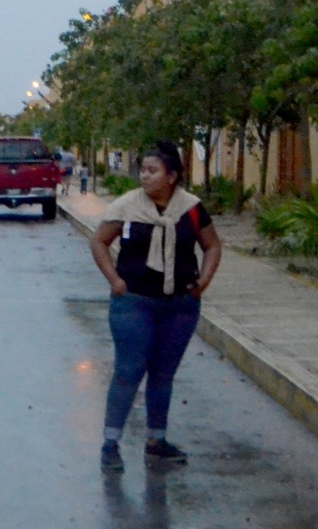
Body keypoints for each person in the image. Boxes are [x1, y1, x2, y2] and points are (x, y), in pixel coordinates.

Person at [88, 141, 222, 472]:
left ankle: (156, 441)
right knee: (129, 371)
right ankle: (110, 443)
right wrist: (114, 281)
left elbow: (213, 246)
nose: (144, 177)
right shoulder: (127, 206)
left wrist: (202, 282)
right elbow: (99, 241)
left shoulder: (191, 208)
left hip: (179, 306)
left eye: (152, 171)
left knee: (163, 374)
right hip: (134, 303)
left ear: (172, 176)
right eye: (142, 171)